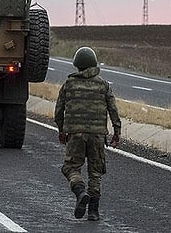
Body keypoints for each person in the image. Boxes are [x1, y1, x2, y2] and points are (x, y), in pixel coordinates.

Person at [54, 46, 121, 221]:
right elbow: (113, 110)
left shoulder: (69, 84)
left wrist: (61, 130)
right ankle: (93, 211)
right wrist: (117, 132)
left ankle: (80, 191)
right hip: (98, 135)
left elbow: (59, 110)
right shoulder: (103, 85)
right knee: (95, 173)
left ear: (77, 64)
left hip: (75, 134)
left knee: (71, 168)